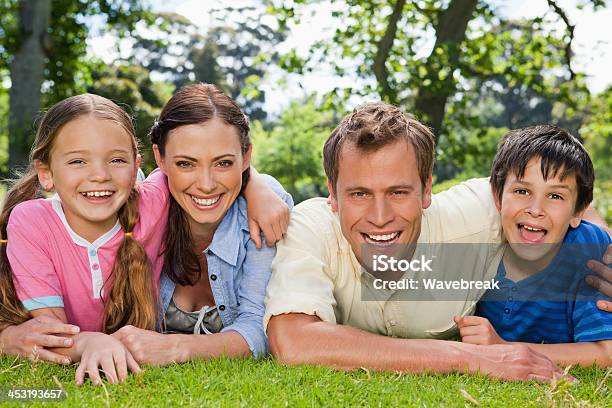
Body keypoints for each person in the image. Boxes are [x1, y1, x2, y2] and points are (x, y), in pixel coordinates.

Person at [264, 102, 609, 381]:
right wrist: (473, 358)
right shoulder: (311, 227)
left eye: (398, 192)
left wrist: (606, 248)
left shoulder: (476, 215)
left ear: (427, 189)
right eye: (359, 194)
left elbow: (558, 191)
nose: (380, 216)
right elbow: (293, 341)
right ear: (333, 195)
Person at [0, 91, 289, 384]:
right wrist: (85, 342)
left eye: (116, 160)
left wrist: (257, 186)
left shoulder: (157, 203)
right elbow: (48, 329)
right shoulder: (34, 219)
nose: (100, 175)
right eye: (78, 161)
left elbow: (212, 155)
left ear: (136, 165)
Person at [111, 83, 293, 365]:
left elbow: (259, 326)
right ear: (160, 158)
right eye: (186, 164)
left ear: (246, 158)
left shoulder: (264, 212)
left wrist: (175, 348)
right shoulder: (138, 205)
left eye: (223, 163)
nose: (206, 185)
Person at [454, 126, 611, 367]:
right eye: (522, 190)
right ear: (497, 196)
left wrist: (503, 349)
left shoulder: (588, 253)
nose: (535, 210)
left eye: (555, 196)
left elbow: (605, 352)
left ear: (578, 211)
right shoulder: (477, 238)